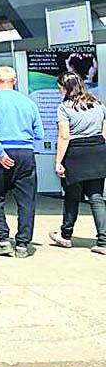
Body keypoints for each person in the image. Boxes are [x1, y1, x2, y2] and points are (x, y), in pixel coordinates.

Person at [0, 65, 42, 258]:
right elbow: (39, 132)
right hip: (25, 152)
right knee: (26, 200)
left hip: (1, 153)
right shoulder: (28, 102)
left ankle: (3, 240)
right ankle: (23, 244)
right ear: (14, 81)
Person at [47, 72, 106, 254]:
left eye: (60, 89)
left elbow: (64, 136)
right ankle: (103, 241)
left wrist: (58, 162)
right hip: (97, 150)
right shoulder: (98, 104)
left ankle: (66, 235)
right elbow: (105, 133)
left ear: (66, 88)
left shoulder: (64, 107)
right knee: (96, 197)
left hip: (75, 152)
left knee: (72, 196)